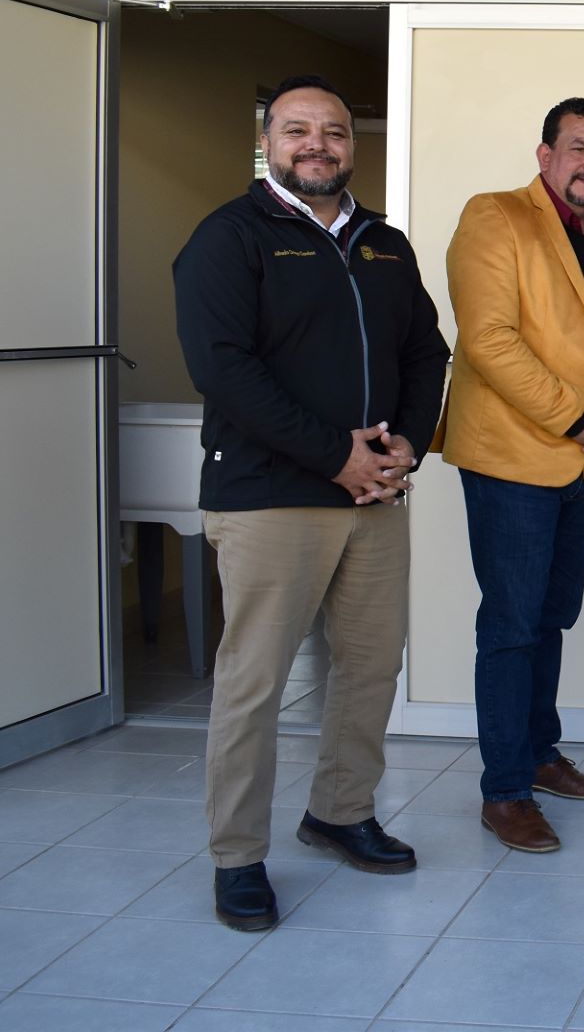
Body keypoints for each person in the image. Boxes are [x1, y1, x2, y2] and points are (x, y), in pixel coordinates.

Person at [174, 74, 449, 930]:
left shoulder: (386, 244)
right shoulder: (229, 237)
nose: (317, 145)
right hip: (270, 497)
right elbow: (225, 370)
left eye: (333, 131)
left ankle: (339, 810)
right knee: (254, 682)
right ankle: (237, 856)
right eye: (298, 130)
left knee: (370, 666)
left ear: (352, 145)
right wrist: (338, 457)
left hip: (377, 494)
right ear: (269, 143)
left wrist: (405, 441)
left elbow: (426, 352)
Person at [437, 97, 584, 853]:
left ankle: (537, 752)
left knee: (551, 617)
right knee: (510, 624)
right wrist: (578, 417)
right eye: (577, 147)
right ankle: (504, 791)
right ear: (544, 155)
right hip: (512, 460)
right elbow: (490, 341)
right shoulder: (495, 217)